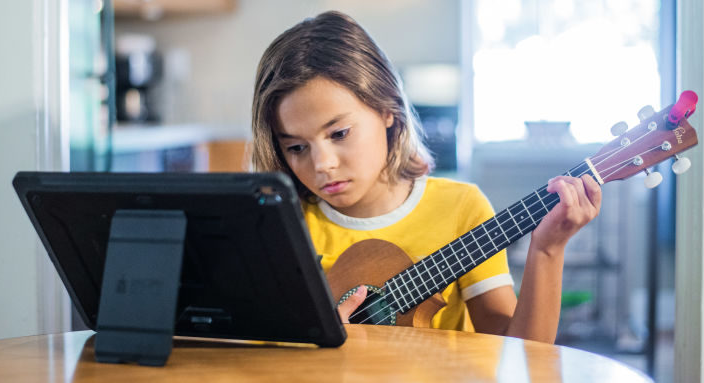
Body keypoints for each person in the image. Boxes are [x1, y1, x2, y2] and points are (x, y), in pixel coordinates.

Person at [250, 10, 601, 343]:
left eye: (339, 133)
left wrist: (548, 250)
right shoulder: (284, 225)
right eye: (297, 147)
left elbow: (520, 353)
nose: (322, 163)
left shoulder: (461, 208)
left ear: (387, 110)